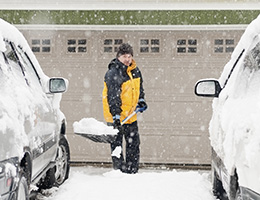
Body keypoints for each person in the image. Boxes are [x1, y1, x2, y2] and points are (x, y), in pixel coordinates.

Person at [102, 43, 147, 174]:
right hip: (115, 117)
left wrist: (141, 100)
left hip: (131, 115)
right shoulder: (113, 73)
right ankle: (119, 173)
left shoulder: (135, 71)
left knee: (134, 144)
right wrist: (116, 116)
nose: (127, 59)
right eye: (124, 56)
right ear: (118, 57)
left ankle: (132, 172)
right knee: (117, 147)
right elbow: (113, 96)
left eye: (129, 56)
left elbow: (139, 89)